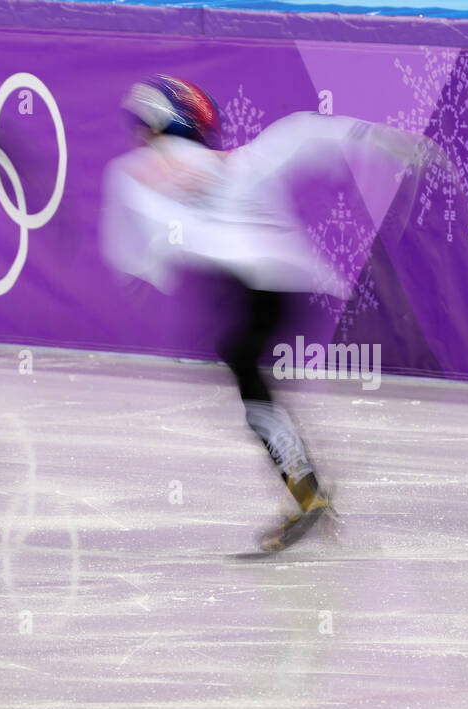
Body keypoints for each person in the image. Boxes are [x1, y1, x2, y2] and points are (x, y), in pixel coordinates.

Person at [102, 75, 427, 551]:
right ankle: (304, 487)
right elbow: (304, 133)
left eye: (143, 126)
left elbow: (136, 230)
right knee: (248, 373)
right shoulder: (240, 162)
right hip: (285, 286)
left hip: (249, 284)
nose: (138, 137)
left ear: (161, 122)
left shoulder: (138, 168)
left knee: (248, 380)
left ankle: (305, 490)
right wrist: (382, 139)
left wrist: (146, 268)